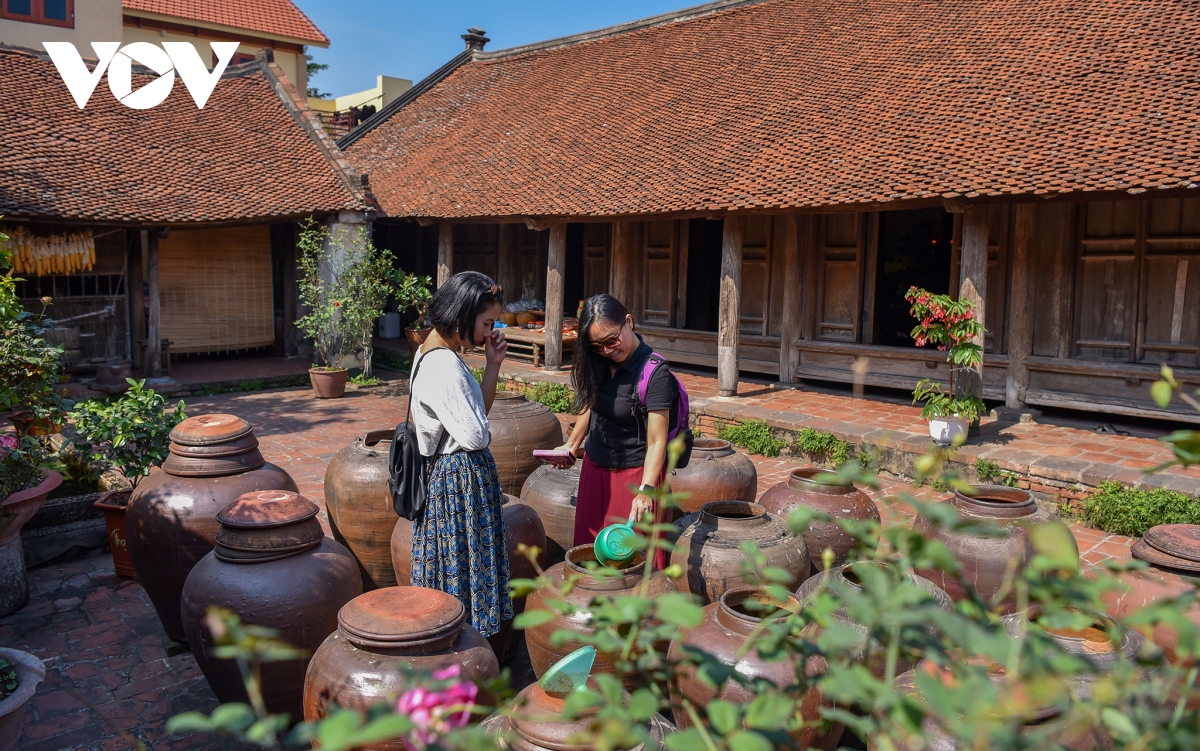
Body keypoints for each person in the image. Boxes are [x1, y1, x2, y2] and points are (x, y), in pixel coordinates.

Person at [408, 271, 512, 637]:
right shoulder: (443, 365)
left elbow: (473, 414)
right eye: (485, 323)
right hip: (458, 483)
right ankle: (461, 653)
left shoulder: (434, 353)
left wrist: (493, 365)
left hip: (456, 477)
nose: (488, 332)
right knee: (463, 570)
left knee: (459, 568)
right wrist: (483, 430)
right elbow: (474, 434)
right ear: (461, 316)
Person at [554, 294, 679, 569]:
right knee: (589, 554)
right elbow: (590, 402)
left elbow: (657, 441)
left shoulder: (654, 372)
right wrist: (571, 444)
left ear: (628, 323)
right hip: (594, 469)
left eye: (612, 340)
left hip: (635, 476)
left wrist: (646, 490)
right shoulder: (598, 359)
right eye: (598, 346)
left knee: (631, 560)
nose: (608, 350)